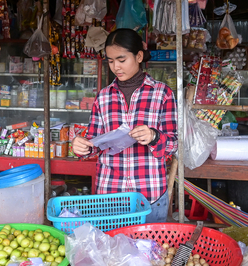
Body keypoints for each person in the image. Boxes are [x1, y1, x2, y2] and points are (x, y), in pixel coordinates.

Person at [71, 29, 178, 222]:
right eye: (111, 61)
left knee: (149, 251)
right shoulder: (103, 97)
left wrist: (154, 136)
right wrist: (82, 147)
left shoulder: (162, 93)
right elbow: (94, 144)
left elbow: (173, 145)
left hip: (149, 194)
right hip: (109, 193)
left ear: (138, 56)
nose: (116, 67)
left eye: (121, 60)